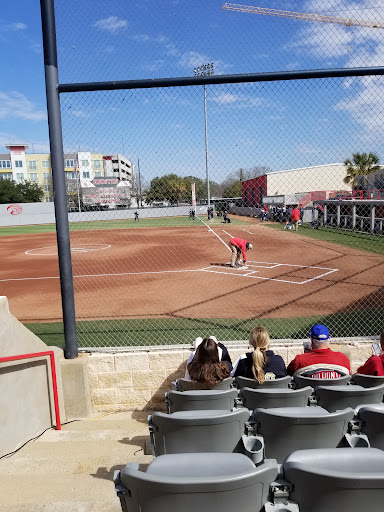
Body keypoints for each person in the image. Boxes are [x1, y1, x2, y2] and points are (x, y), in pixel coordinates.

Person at [287, 324, 351, 377]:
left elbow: (288, 376)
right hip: (336, 392)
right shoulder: (343, 359)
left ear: (311, 340)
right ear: (329, 338)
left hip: (310, 392)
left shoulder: (300, 360)